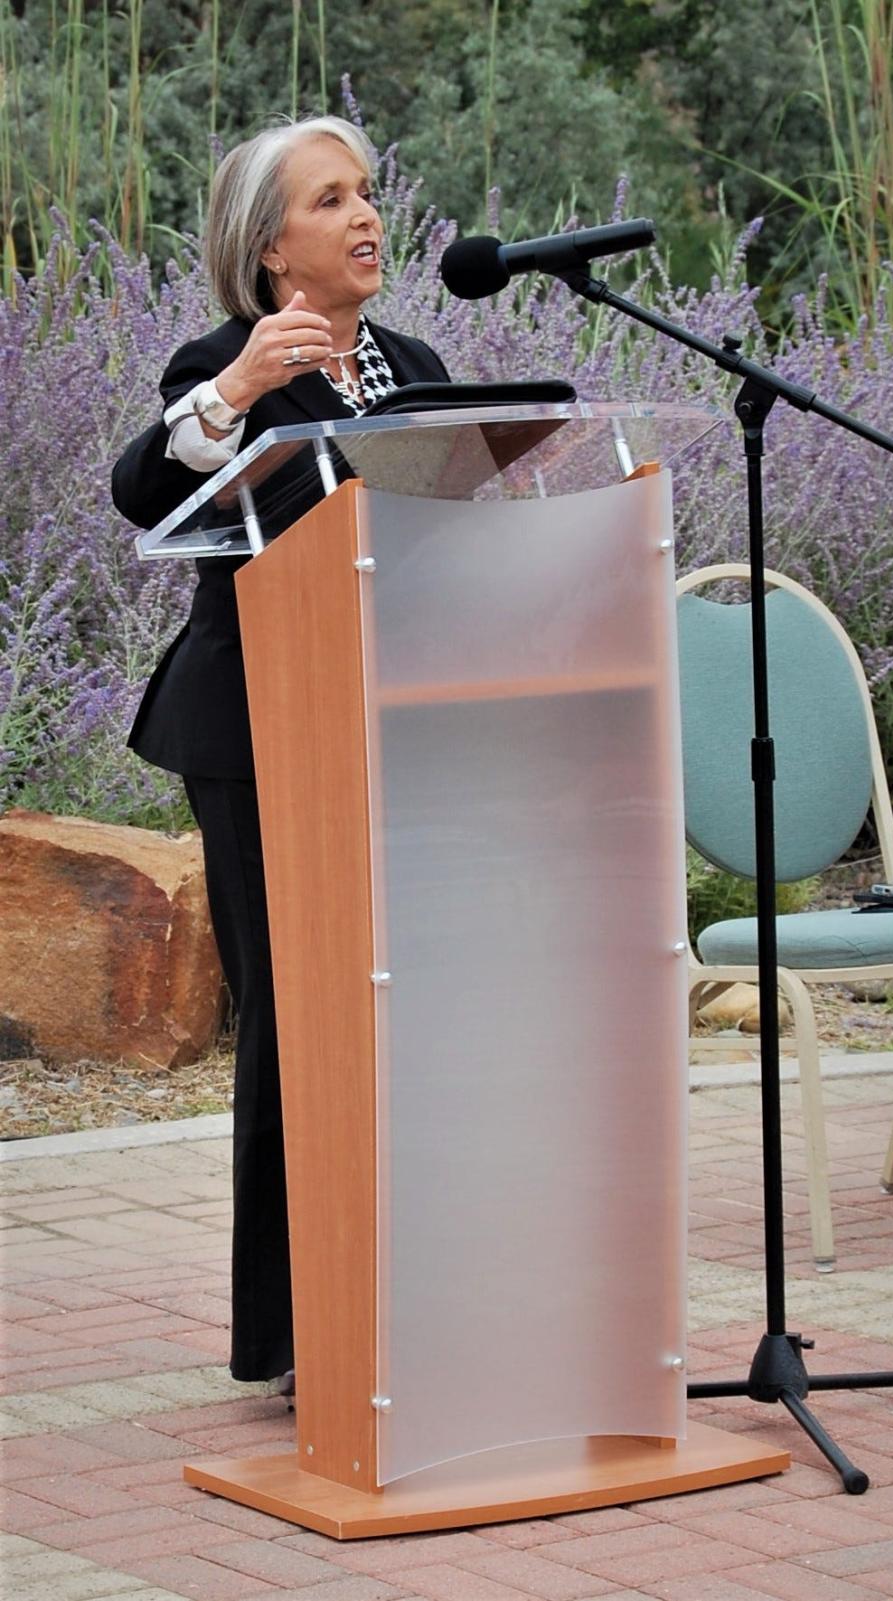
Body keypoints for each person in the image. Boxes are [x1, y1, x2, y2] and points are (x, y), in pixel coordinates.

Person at [112, 116, 451, 1386]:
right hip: (261, 730)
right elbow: (147, 489)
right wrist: (241, 388)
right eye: (331, 198)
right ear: (271, 247)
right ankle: (305, 1330)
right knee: (301, 1016)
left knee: (398, 1010)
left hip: (397, 715)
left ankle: (405, 1290)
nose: (366, 216)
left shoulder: (413, 358)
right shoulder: (218, 361)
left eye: (368, 191)